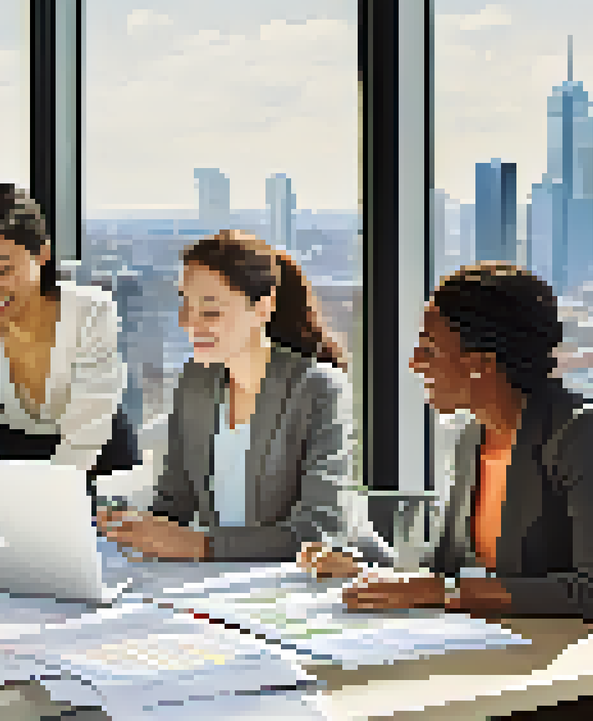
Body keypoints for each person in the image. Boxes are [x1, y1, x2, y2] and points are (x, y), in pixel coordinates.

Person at [344, 263, 593, 624]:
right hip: (529, 648)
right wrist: (364, 568)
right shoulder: (473, 437)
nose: (415, 363)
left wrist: (443, 592)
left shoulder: (581, 436)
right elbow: (443, 569)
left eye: (430, 350)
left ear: (481, 363)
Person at [98, 230, 391, 570]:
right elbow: (174, 503)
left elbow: (319, 531)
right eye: (185, 305)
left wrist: (199, 544)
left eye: (209, 312)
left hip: (330, 585)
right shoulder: (195, 380)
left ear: (262, 308)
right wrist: (129, 527)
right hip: (234, 584)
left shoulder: (318, 389)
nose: (189, 324)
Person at [0, 183, 140, 485]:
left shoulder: (92, 312)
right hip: (7, 458)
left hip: (97, 461)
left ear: (43, 255)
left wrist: (46, 499)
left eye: (2, 271)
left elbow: (87, 431)